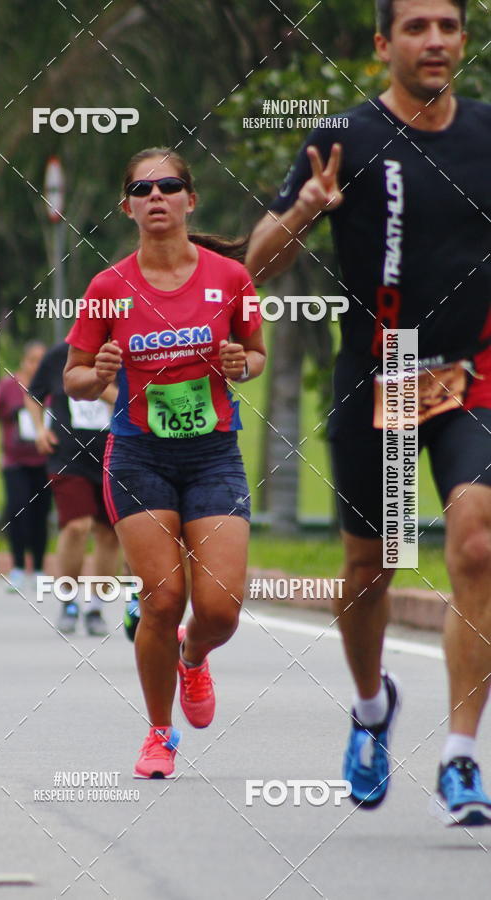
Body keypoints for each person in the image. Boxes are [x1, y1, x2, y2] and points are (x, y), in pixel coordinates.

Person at [246, 0, 491, 825]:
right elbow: (255, 264)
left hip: (471, 378)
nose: (434, 41)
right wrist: (310, 204)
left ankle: (460, 757)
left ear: (463, 40)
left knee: (478, 541)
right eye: (416, 28)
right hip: (375, 381)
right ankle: (370, 708)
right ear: (385, 45)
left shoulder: (489, 133)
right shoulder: (341, 138)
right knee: (369, 570)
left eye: (447, 27)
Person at [64, 147, 266, 778]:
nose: (157, 197)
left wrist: (242, 364)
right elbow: (73, 377)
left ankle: (195, 658)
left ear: (189, 199)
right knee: (161, 599)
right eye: (143, 189)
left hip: (212, 455)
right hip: (139, 453)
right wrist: (93, 374)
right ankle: (159, 733)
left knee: (220, 610)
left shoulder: (230, 279)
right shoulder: (107, 288)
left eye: (169, 185)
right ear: (127, 206)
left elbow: (255, 354)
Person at [26, 341, 120, 636]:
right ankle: (68, 600)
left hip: (116, 455)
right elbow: (34, 394)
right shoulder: (58, 354)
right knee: (77, 526)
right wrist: (40, 430)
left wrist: (98, 386)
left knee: (109, 534)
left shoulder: (126, 351)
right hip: (68, 456)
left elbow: (133, 401)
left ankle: (95, 607)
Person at [0, 341, 51, 593]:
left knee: (41, 515)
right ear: (24, 361)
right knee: (18, 512)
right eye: (33, 360)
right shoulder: (9, 387)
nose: (37, 366)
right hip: (15, 462)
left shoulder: (52, 386)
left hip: (47, 462)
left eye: (43, 361)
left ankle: (39, 568)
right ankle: (18, 567)